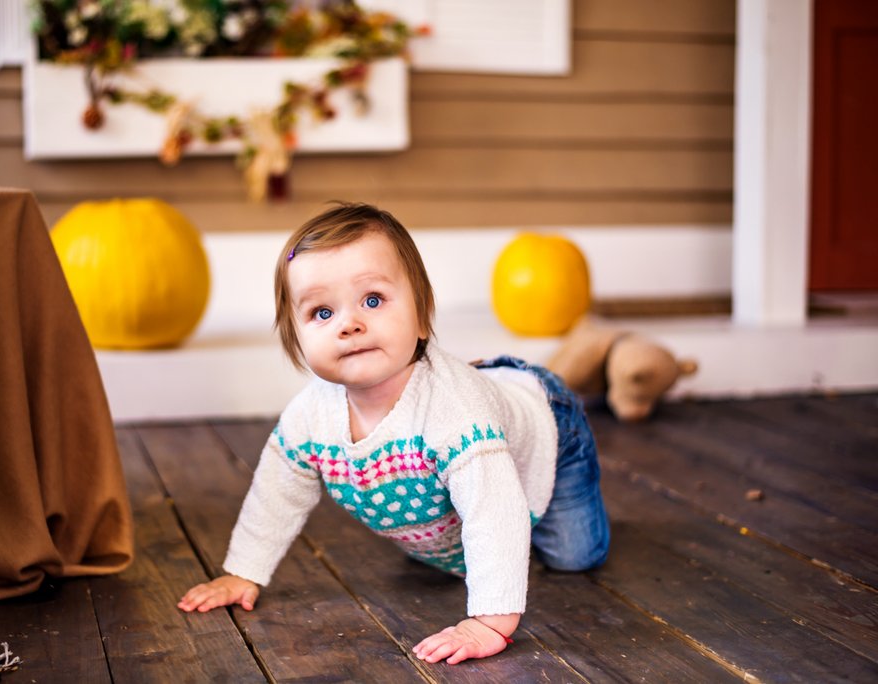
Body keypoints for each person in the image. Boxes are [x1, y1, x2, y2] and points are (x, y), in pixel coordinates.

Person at [177, 203, 609, 665]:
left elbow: (495, 511)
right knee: (452, 553)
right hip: (476, 444)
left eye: (373, 300)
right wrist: (243, 572)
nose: (350, 323)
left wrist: (489, 621)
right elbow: (275, 494)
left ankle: (587, 355)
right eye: (322, 312)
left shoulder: (456, 414)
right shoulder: (310, 416)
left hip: (547, 428)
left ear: (422, 317)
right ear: (296, 340)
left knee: (572, 555)